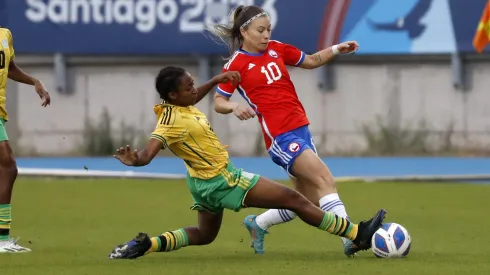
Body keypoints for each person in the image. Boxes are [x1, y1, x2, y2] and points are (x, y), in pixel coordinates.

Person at [108, 66, 385, 259]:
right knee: (296, 199)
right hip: (224, 180)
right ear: (173, 96)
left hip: (201, 184)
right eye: (189, 86)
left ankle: (146, 245)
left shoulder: (180, 105)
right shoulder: (169, 123)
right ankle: (355, 234)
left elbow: (195, 95)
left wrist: (217, 78)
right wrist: (136, 159)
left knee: (205, 235)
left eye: (193, 83)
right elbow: (147, 153)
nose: (194, 89)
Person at [210, 5, 362, 256]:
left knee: (307, 200)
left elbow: (312, 61)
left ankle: (258, 223)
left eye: (268, 29)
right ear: (244, 32)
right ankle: (351, 237)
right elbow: (218, 102)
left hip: (301, 128)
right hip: (280, 137)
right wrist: (234, 106)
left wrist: (336, 49)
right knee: (325, 179)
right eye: (260, 30)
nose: (266, 35)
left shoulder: (277, 49)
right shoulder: (235, 65)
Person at [0, 27, 51, 253]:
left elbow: (8, 67)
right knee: (8, 167)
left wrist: (34, 81)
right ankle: (2, 240)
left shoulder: (5, 35)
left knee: (7, 168)